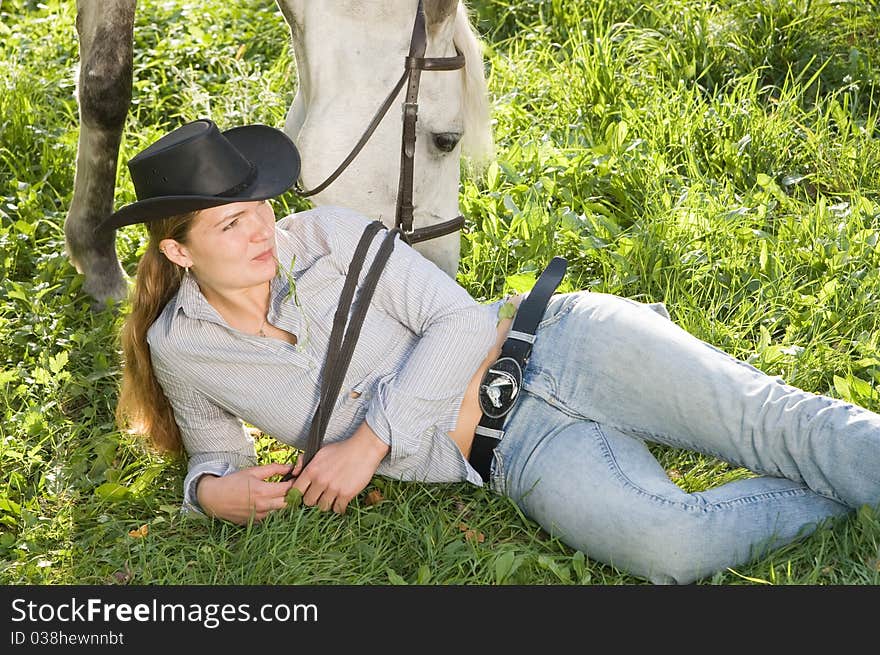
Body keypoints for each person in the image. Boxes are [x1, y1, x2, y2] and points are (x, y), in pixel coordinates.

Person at [106, 118, 880, 585]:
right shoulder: (182, 348)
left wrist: (366, 443)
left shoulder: (334, 237)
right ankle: (843, 487)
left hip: (560, 344)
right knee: (668, 546)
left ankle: (834, 459)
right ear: (177, 253)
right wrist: (212, 494)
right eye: (229, 226)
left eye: (258, 211)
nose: (261, 233)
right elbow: (212, 453)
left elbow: (460, 323)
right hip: (515, 452)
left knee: (776, 423)